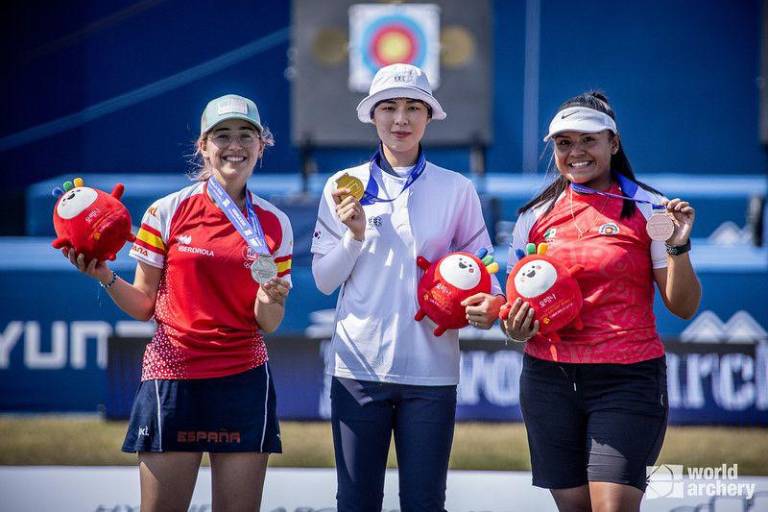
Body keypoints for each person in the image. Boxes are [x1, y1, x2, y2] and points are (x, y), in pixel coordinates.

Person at [62, 94, 293, 511]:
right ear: (203, 146)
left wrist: (268, 297)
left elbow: (270, 322)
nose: (235, 145)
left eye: (246, 135)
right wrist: (105, 277)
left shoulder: (276, 223)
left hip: (243, 379)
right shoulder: (166, 211)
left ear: (262, 145)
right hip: (173, 377)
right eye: (222, 135)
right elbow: (144, 304)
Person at [311, 63, 504, 512]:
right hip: (358, 372)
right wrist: (355, 236)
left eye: (413, 107)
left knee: (424, 503)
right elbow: (323, 281)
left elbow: (486, 270)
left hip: (432, 374)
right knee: (356, 503)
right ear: (373, 115)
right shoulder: (343, 186)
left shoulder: (457, 189)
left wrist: (487, 300)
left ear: (429, 116)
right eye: (389, 108)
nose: (401, 119)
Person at [501, 91, 701, 512]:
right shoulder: (532, 217)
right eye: (563, 143)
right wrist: (513, 325)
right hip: (548, 381)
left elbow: (682, 306)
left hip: (627, 380)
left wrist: (679, 247)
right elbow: (515, 306)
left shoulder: (650, 208)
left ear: (613, 142)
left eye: (588, 140)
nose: (576, 152)